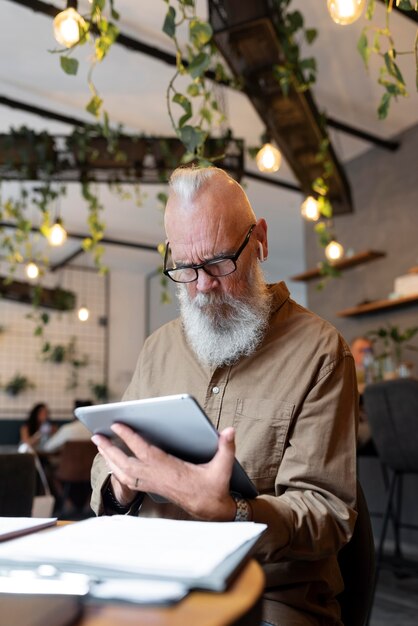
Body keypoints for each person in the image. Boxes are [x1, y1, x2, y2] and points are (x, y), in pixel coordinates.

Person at [91, 166, 358, 626]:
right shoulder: (158, 349)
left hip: (271, 598)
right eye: (185, 268)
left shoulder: (322, 352)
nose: (202, 286)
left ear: (260, 241)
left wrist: (232, 513)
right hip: (155, 585)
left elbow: (329, 514)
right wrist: (123, 481)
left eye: (218, 263)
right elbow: (107, 468)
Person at [349, 336, 375, 453]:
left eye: (369, 351)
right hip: (356, 429)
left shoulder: (378, 377)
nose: (365, 355)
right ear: (350, 353)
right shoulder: (344, 379)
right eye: (361, 351)